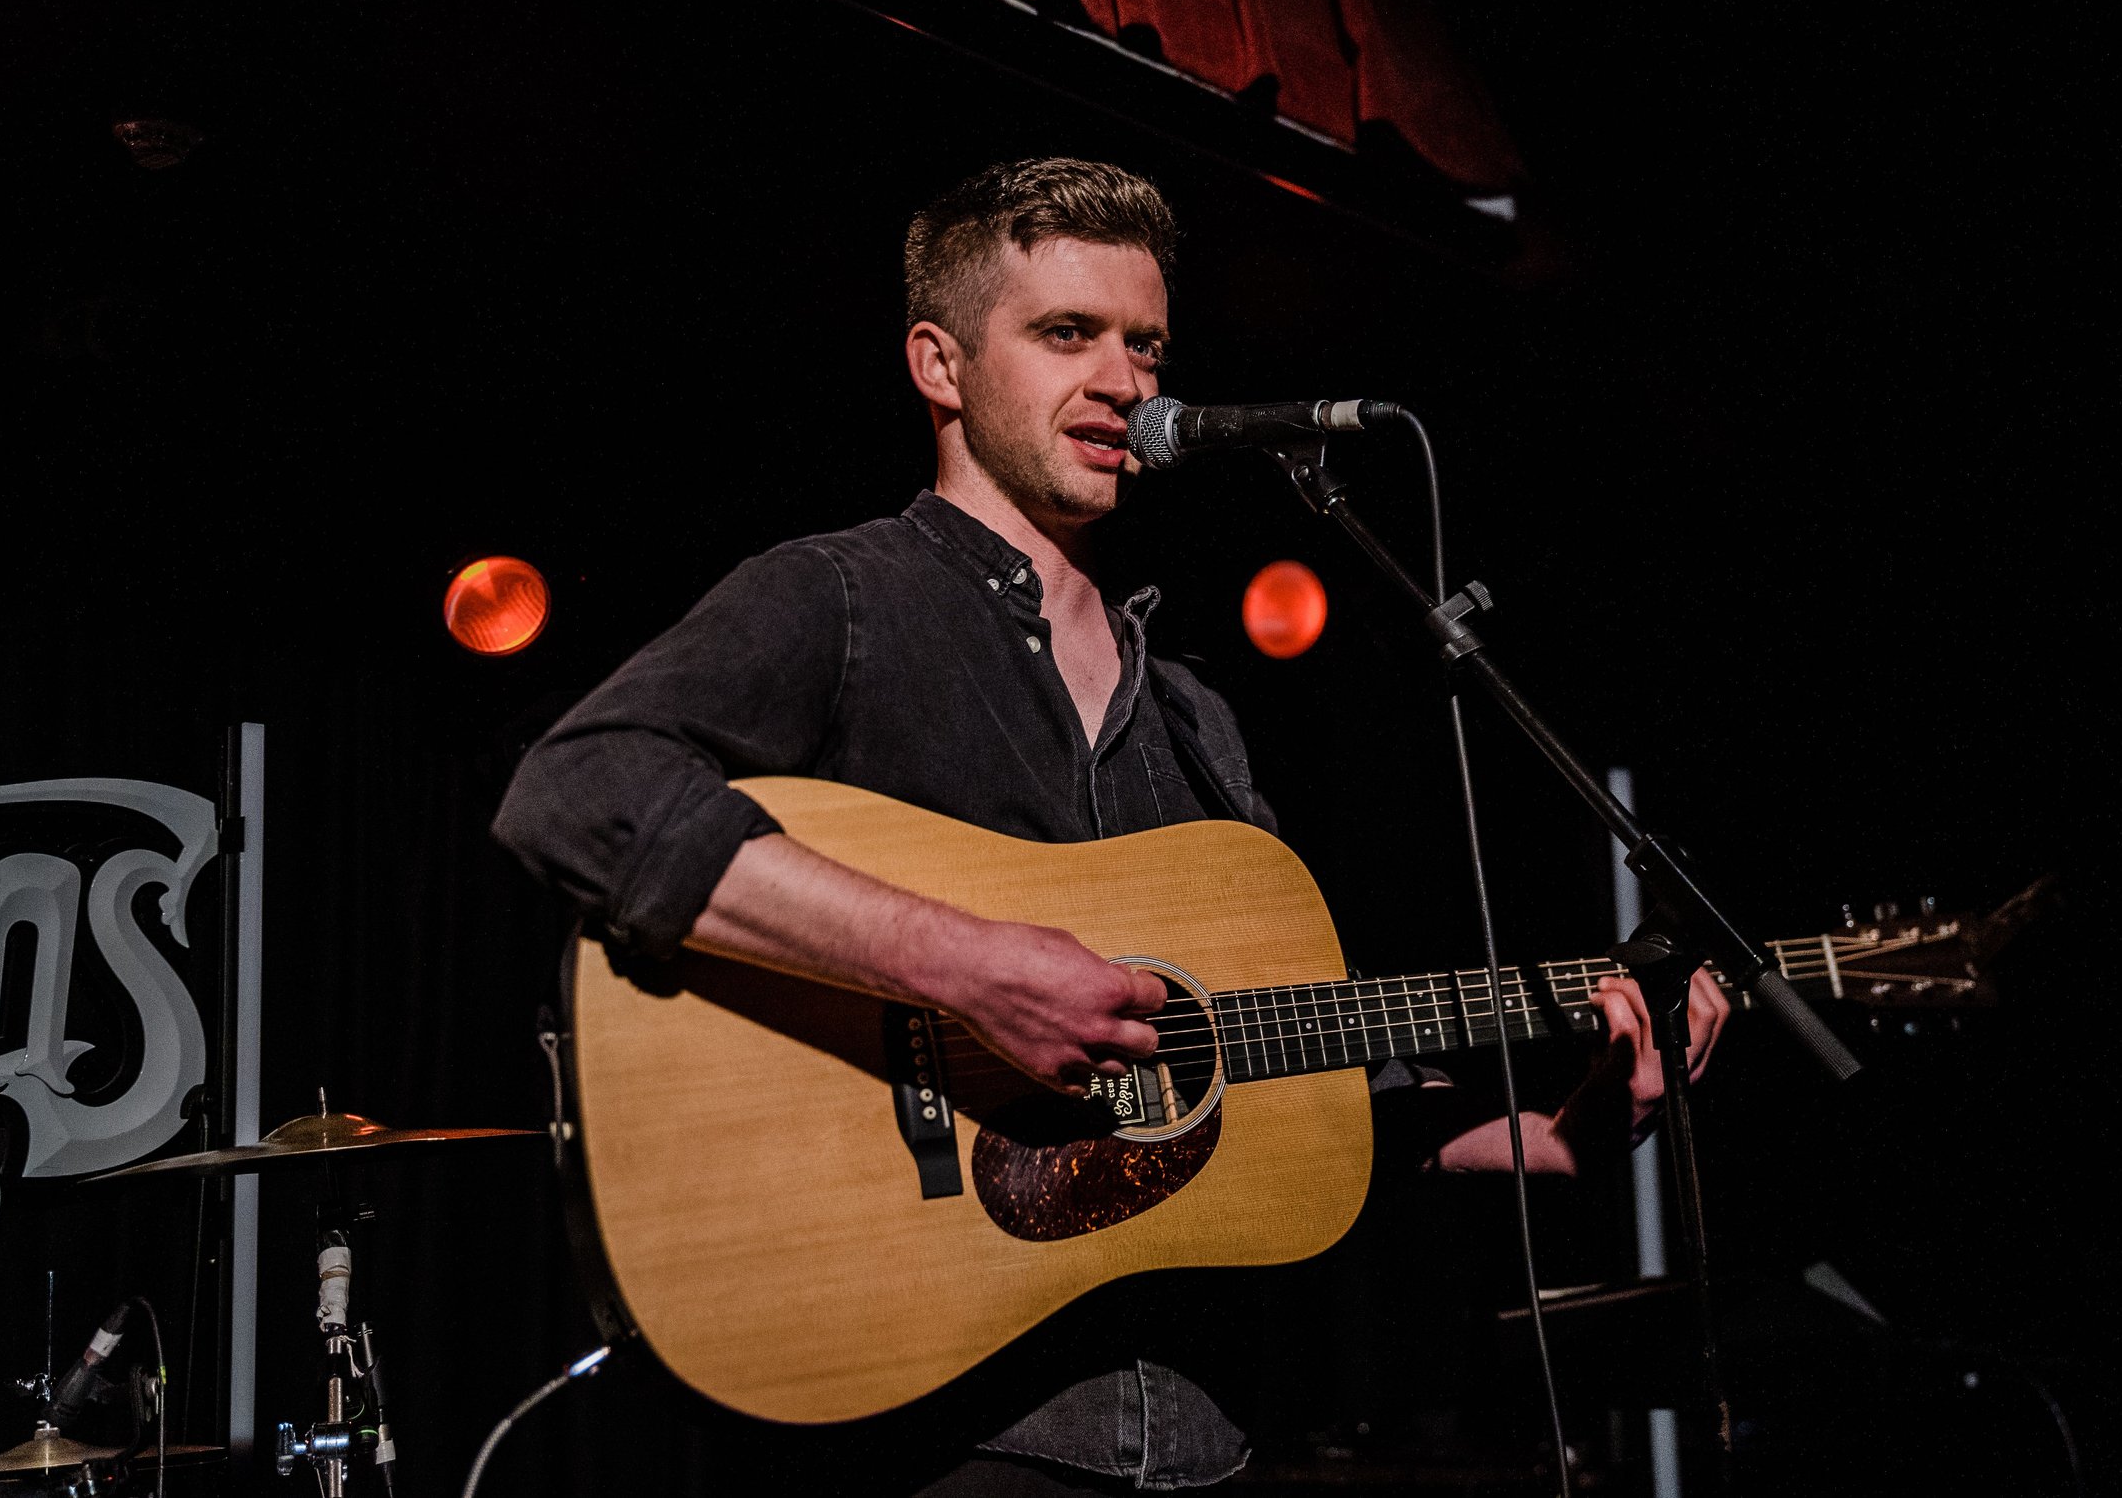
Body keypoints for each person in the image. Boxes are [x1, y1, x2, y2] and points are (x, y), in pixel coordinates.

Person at [494, 157, 1728, 1494]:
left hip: (1203, 1441)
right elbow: (577, 792)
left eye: (1145, 343)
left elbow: (1307, 1104)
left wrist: (1572, 1133)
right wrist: (962, 968)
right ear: (941, 364)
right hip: (937, 1436)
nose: (1129, 383)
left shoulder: (1194, 714)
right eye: (1066, 334)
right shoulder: (841, 599)